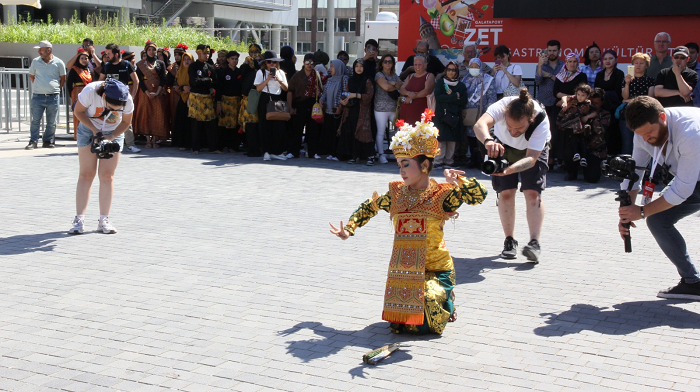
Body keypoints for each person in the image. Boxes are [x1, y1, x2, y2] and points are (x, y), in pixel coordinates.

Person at [329, 109, 487, 334]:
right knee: (401, 325)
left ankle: (446, 299)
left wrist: (459, 181)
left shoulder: (441, 195)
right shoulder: (396, 194)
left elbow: (479, 196)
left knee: (426, 320)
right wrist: (349, 230)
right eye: (399, 165)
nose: (401, 171)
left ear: (424, 165)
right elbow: (370, 206)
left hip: (436, 269)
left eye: (406, 164)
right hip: (406, 272)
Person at [618, 96, 700, 300]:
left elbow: (682, 190)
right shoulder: (642, 134)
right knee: (658, 220)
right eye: (640, 135)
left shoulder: (691, 133)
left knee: (651, 214)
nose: (646, 139)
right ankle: (693, 283)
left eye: (649, 133)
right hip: (692, 178)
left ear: (662, 117)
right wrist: (626, 212)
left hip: (690, 180)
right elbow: (634, 174)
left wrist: (643, 211)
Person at [473, 89, 551, 263]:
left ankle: (534, 243)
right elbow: (479, 125)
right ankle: (509, 240)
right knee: (506, 192)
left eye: (519, 128)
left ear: (530, 119)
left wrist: (509, 170)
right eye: (509, 127)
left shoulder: (540, 119)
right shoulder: (502, 106)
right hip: (503, 147)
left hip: (532, 151)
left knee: (532, 192)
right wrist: (488, 141)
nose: (514, 132)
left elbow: (531, 159)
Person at [69, 79, 133, 235]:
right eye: (110, 108)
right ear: (103, 96)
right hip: (88, 129)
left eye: (117, 109)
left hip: (113, 132)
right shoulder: (90, 91)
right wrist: (95, 131)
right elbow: (78, 111)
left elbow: (125, 122)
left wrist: (111, 137)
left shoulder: (127, 99)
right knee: (86, 174)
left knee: (107, 176)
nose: (113, 111)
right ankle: (79, 220)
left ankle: (104, 220)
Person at [100, 43, 141, 153]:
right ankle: (106, 141)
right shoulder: (106, 66)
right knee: (107, 120)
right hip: (108, 100)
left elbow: (136, 81)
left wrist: (131, 96)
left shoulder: (127, 65)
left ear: (116, 54)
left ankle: (130, 144)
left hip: (122, 99)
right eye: (106, 53)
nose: (107, 56)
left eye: (109, 53)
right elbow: (100, 81)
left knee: (126, 122)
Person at [27, 40, 65, 150]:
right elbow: (31, 76)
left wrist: (56, 88)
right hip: (38, 96)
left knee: (51, 121)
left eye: (41, 49)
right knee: (35, 120)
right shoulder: (35, 61)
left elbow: (63, 78)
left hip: (53, 96)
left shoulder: (59, 62)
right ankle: (33, 141)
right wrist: (40, 86)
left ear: (48, 50)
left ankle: (48, 140)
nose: (39, 51)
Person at [337, 59, 375, 165]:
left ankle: (370, 156)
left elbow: (369, 96)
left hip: (364, 111)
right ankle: (355, 155)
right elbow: (346, 93)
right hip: (351, 109)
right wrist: (343, 100)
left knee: (364, 132)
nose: (358, 68)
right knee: (353, 131)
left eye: (361, 66)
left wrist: (356, 95)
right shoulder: (351, 80)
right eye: (356, 66)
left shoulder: (368, 80)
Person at [461, 58, 497, 169]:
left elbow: (492, 97)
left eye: (476, 66)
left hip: (483, 113)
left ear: (480, 67)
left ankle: (482, 159)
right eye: (471, 66)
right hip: (469, 114)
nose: (473, 69)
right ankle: (473, 159)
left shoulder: (488, 80)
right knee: (471, 137)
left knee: (481, 136)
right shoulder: (465, 79)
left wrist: (489, 113)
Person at [254, 50, 289, 161]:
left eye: (274, 62)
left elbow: (286, 88)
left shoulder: (281, 72)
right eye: (269, 62)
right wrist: (268, 79)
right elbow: (258, 88)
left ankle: (277, 151)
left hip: (277, 99)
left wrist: (278, 80)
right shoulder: (261, 72)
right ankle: (266, 151)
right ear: (265, 63)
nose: (271, 64)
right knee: (265, 126)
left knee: (278, 126)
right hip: (265, 98)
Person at [535, 40, 565, 168]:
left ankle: (561, 158)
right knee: (545, 131)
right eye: (549, 50)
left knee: (559, 131)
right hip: (544, 102)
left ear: (559, 51)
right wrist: (540, 66)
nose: (552, 53)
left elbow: (563, 81)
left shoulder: (564, 65)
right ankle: (549, 158)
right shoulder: (542, 65)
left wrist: (550, 75)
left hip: (558, 102)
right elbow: (538, 80)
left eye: (554, 50)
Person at [287, 53, 322, 159]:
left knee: (313, 129)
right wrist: (290, 107)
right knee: (297, 129)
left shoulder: (316, 74)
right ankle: (293, 152)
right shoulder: (297, 75)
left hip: (312, 103)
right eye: (307, 62)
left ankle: (313, 152)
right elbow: (290, 91)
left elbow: (321, 89)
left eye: (312, 63)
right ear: (303, 63)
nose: (309, 65)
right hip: (299, 103)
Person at [134, 41, 168, 148]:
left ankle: (155, 140)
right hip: (145, 92)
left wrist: (157, 91)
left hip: (157, 90)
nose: (151, 52)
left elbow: (163, 78)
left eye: (153, 50)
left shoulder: (160, 63)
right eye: (149, 50)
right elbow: (139, 79)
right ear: (146, 51)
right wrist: (147, 92)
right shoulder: (140, 64)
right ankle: (148, 140)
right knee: (146, 113)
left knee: (157, 114)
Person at [620, 52, 656, 154]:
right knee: (627, 143)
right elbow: (624, 97)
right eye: (636, 63)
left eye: (641, 63)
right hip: (627, 114)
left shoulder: (650, 80)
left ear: (646, 65)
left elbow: (650, 98)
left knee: (644, 144)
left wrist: (631, 100)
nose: (638, 65)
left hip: (643, 114)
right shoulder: (626, 80)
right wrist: (627, 83)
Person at [433, 61, 467, 170]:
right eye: (449, 69)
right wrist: (454, 97)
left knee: (452, 140)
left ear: (457, 72)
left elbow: (463, 100)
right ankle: (438, 161)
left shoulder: (461, 85)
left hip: (455, 116)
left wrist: (452, 98)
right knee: (441, 139)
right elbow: (439, 97)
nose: (451, 72)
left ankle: (449, 161)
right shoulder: (440, 83)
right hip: (441, 115)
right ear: (445, 71)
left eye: (453, 70)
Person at [188, 44, 220, 154]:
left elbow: (215, 82)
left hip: (207, 97)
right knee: (196, 124)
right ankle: (196, 148)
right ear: (198, 53)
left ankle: (213, 147)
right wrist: (208, 80)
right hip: (196, 97)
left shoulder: (210, 67)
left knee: (210, 123)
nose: (207, 55)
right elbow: (194, 82)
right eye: (204, 53)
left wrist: (205, 81)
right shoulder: (193, 66)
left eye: (208, 53)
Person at [558, 84, 594, 173]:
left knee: (582, 140)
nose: (580, 97)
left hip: (582, 126)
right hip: (571, 126)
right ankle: (575, 154)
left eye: (583, 95)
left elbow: (595, 112)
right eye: (578, 94)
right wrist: (565, 103)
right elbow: (564, 97)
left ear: (587, 96)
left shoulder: (588, 103)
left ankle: (583, 158)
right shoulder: (573, 99)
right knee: (573, 139)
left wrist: (588, 117)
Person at [374, 54, 402, 164]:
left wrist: (392, 83)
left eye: (390, 62)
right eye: (385, 61)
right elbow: (386, 87)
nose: (387, 64)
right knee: (380, 132)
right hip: (380, 108)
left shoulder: (394, 75)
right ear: (381, 63)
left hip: (393, 107)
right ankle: (381, 154)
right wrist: (394, 84)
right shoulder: (379, 75)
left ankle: (398, 154)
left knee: (397, 132)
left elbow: (402, 85)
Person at [319, 59, 348, 161]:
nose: (331, 69)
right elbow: (325, 93)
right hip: (329, 109)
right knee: (330, 131)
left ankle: (337, 153)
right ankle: (330, 152)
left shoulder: (344, 79)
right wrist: (321, 100)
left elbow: (345, 93)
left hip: (338, 109)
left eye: (333, 66)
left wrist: (341, 105)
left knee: (337, 131)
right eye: (330, 66)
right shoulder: (330, 79)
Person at [216, 51, 243, 152]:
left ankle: (233, 146)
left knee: (235, 124)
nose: (234, 61)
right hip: (225, 101)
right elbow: (219, 89)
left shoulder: (240, 72)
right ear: (228, 60)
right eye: (232, 59)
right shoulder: (222, 72)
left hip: (236, 101)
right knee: (223, 125)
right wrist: (218, 103)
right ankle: (220, 146)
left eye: (236, 59)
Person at [239, 45, 262, 157]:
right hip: (246, 97)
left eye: (256, 52)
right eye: (251, 52)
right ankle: (250, 147)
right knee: (248, 125)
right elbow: (240, 77)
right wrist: (246, 65)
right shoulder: (246, 66)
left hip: (256, 98)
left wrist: (257, 63)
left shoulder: (262, 67)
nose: (253, 54)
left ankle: (256, 149)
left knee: (254, 125)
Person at [399, 55, 435, 125]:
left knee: (419, 133)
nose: (417, 67)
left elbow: (427, 90)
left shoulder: (429, 76)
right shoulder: (410, 76)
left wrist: (413, 96)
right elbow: (402, 89)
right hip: (406, 110)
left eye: (420, 65)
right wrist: (409, 94)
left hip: (420, 110)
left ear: (425, 65)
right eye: (415, 65)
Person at [66, 48, 93, 141]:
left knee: (88, 113)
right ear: (78, 59)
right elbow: (69, 84)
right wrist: (72, 95)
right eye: (82, 58)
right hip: (77, 92)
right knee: (78, 113)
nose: (84, 60)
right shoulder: (74, 69)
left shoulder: (89, 70)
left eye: (86, 58)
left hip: (88, 93)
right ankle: (78, 135)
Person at [172, 52, 193, 150]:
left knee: (191, 123)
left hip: (193, 99)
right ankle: (181, 143)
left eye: (189, 59)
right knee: (182, 121)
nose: (186, 61)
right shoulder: (179, 72)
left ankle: (191, 143)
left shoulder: (194, 71)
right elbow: (175, 84)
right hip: (182, 99)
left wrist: (190, 89)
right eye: (184, 60)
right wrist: (181, 87)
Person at [685, 42, 700, 108]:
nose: (689, 55)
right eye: (687, 53)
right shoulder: (676, 70)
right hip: (680, 106)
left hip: (697, 107)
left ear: (697, 54)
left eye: (692, 52)